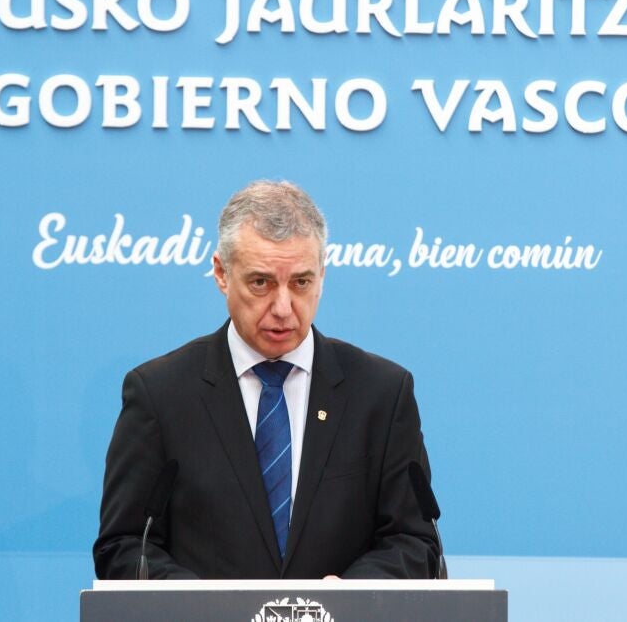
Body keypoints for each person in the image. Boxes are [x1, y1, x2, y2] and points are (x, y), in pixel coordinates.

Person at [93, 180, 439, 579]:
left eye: (301, 282)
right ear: (221, 273)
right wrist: (207, 604)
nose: (283, 308)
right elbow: (125, 547)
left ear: (322, 275)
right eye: (261, 282)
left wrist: (350, 596)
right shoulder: (161, 394)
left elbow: (415, 542)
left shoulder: (381, 393)